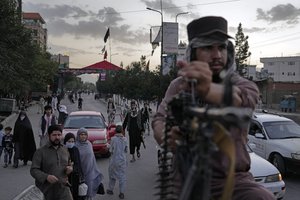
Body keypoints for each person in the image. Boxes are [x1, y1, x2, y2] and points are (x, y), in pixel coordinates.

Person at [152, 16, 275, 200]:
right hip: (186, 181)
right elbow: (159, 120)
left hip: (233, 181)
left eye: (222, 47)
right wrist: (166, 136)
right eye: (208, 47)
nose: (217, 55)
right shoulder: (179, 85)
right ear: (193, 53)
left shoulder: (242, 85)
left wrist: (209, 89)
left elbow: (241, 99)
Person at [30, 125, 73, 200]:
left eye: (59, 135)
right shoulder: (40, 152)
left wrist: (69, 168)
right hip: (46, 190)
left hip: (63, 189)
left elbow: (69, 164)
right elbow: (34, 170)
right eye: (54, 135)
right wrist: (46, 177)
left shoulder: (65, 150)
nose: (57, 137)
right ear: (48, 135)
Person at [76, 127, 104, 200]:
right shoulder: (76, 146)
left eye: (85, 134)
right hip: (80, 172)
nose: (83, 136)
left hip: (90, 171)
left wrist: (95, 169)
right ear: (78, 135)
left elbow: (92, 158)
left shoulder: (89, 144)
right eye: (81, 134)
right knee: (80, 191)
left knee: (89, 190)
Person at [106, 125, 128, 199]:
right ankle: (121, 192)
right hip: (122, 161)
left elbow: (110, 150)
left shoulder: (113, 139)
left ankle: (110, 189)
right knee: (122, 177)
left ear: (115, 131)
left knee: (112, 176)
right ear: (122, 131)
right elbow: (126, 150)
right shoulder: (125, 139)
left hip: (114, 160)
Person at [64, 132, 84, 200]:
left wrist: (73, 169)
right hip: (64, 177)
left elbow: (78, 163)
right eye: (69, 141)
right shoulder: (62, 150)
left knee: (75, 194)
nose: (71, 143)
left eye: (72, 141)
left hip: (74, 177)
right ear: (65, 141)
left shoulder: (75, 149)